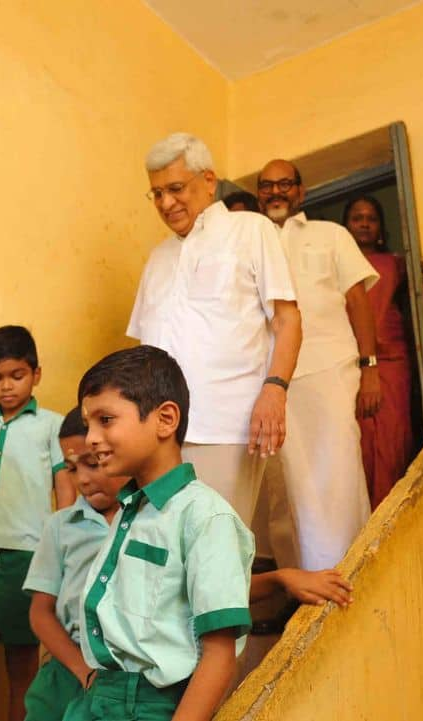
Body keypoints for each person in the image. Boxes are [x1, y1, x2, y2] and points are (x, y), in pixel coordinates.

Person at [66, 345, 254, 721]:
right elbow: (171, 599)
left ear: (165, 419)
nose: (90, 438)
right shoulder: (133, 510)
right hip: (100, 698)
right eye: (89, 424)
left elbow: (219, 655)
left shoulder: (205, 515)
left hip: (152, 706)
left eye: (105, 420)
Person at [127, 132, 301, 528]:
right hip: (156, 432)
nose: (166, 203)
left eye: (175, 188)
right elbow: (144, 349)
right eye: (156, 194)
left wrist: (275, 390)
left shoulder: (251, 230)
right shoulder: (157, 258)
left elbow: (288, 319)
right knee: (167, 557)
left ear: (208, 181)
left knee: (216, 548)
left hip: (226, 423)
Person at [256, 159, 378, 571]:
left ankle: (349, 571)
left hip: (330, 368)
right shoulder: (251, 240)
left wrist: (370, 365)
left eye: (285, 184)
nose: (276, 192)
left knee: (338, 468)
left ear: (301, 192)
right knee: (284, 483)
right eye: (267, 186)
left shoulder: (332, 235)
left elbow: (358, 300)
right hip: (272, 380)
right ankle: (298, 586)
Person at [0, 325, 74, 721]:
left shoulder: (52, 426)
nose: (6, 387)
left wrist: (64, 548)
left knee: (22, 663)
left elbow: (65, 490)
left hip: (27, 558)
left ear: (36, 374)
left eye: (16, 376)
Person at [22, 407, 130, 721]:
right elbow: (41, 611)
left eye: (92, 464)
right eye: (71, 468)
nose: (82, 479)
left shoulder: (150, 520)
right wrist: (81, 670)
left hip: (122, 671)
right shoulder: (61, 525)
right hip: (67, 668)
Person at [343, 195, 414, 508]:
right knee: (360, 445)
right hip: (350, 364)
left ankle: (391, 516)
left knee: (391, 440)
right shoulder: (337, 269)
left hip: (392, 362)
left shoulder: (396, 264)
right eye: (357, 218)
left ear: (381, 227)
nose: (364, 223)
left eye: (371, 218)